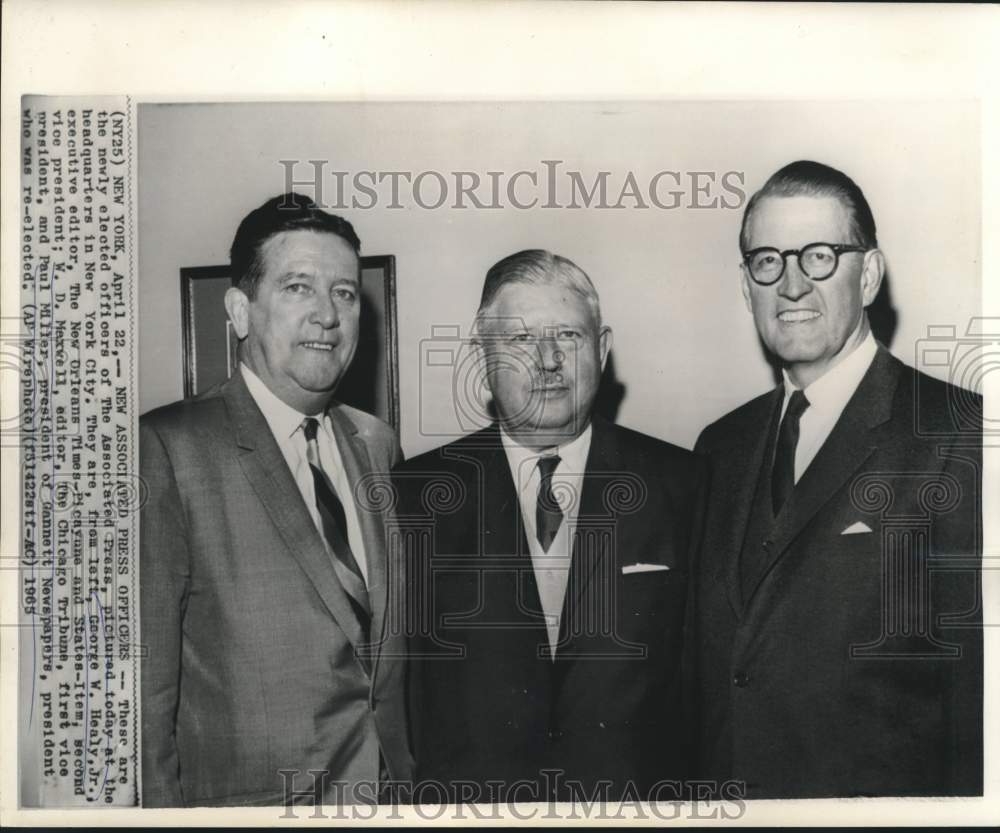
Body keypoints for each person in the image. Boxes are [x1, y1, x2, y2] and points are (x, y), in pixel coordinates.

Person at [691, 161, 982, 798]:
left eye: (819, 256)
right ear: (746, 285)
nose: (791, 285)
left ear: (869, 275)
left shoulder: (959, 434)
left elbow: (977, 708)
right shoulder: (718, 446)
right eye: (768, 261)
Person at [393, 249, 705, 803]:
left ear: (602, 350)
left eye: (567, 335)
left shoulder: (684, 484)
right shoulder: (414, 496)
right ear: (482, 356)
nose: (547, 359)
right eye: (519, 339)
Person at [140, 193, 412, 806]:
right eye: (297, 288)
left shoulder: (376, 444)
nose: (327, 316)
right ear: (240, 311)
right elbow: (144, 698)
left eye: (344, 293)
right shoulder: (167, 449)